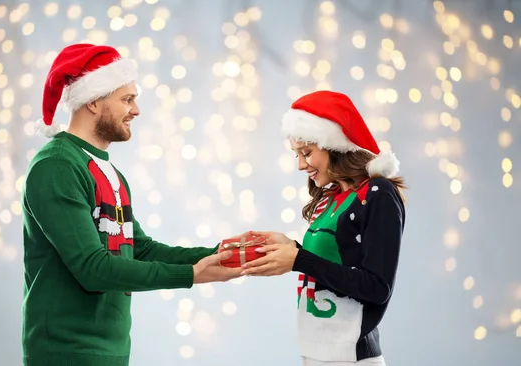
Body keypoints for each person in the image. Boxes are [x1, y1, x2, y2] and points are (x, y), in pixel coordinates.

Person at [21, 43, 241, 366]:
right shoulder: (56, 167)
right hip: (66, 353)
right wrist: (190, 274)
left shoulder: (112, 175)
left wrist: (218, 254)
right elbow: (92, 269)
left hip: (111, 351)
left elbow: (141, 249)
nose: (136, 110)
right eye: (127, 99)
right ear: (93, 100)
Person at [241, 90, 406, 365]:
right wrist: (291, 249)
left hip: (350, 357)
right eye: (297, 155)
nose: (301, 165)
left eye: (306, 153)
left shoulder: (378, 193)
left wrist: (299, 259)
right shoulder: (332, 198)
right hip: (317, 352)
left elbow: (377, 287)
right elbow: (333, 264)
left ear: (335, 146)